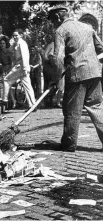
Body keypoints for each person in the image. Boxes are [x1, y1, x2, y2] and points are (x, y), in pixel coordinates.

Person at [48, 5, 103, 152]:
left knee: (72, 110)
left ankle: (69, 144)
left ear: (58, 17)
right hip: (95, 73)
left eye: (53, 21)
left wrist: (56, 79)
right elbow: (100, 48)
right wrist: (92, 62)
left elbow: (58, 58)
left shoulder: (60, 31)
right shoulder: (87, 27)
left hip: (77, 76)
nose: (53, 24)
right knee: (97, 108)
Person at [0, 29, 36, 112]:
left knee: (6, 80)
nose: (14, 37)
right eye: (13, 35)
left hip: (20, 66)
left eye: (16, 35)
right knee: (27, 85)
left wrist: (25, 68)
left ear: (21, 35)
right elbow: (10, 50)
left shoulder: (22, 44)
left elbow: (25, 56)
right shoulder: (17, 43)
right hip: (21, 66)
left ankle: (4, 99)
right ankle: (32, 104)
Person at [0, 36, 16, 108]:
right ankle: (3, 98)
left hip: (9, 69)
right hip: (3, 69)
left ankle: (12, 101)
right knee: (0, 82)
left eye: (3, 43)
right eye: (1, 43)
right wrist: (0, 64)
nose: (2, 45)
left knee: (8, 85)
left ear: (6, 44)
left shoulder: (9, 52)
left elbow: (12, 62)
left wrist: (10, 70)